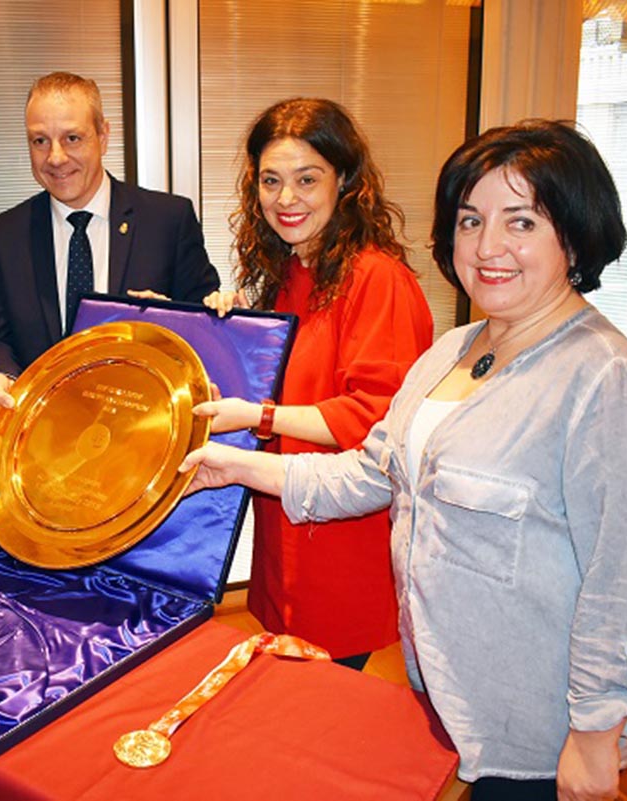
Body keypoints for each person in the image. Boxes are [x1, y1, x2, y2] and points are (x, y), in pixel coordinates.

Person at [180, 120, 627, 801]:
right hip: (449, 698)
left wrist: (596, 738)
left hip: (538, 729)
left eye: (522, 222)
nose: (488, 246)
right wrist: (233, 465)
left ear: (575, 232)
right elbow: (367, 472)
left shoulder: (603, 380)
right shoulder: (452, 351)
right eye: (471, 219)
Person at [198, 98, 434, 668]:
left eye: (307, 179)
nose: (286, 199)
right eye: (271, 181)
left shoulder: (378, 279)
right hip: (285, 540)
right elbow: (281, 387)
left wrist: (259, 416)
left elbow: (370, 421)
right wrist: (230, 332)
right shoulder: (291, 274)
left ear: (345, 180)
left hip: (342, 550)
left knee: (324, 718)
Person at [0, 72, 220, 417]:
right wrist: (0, 374)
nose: (55, 157)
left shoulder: (168, 220)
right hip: (46, 435)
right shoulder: (0, 237)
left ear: (103, 135)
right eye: (39, 141)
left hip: (148, 427)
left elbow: (206, 326)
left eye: (72, 138)